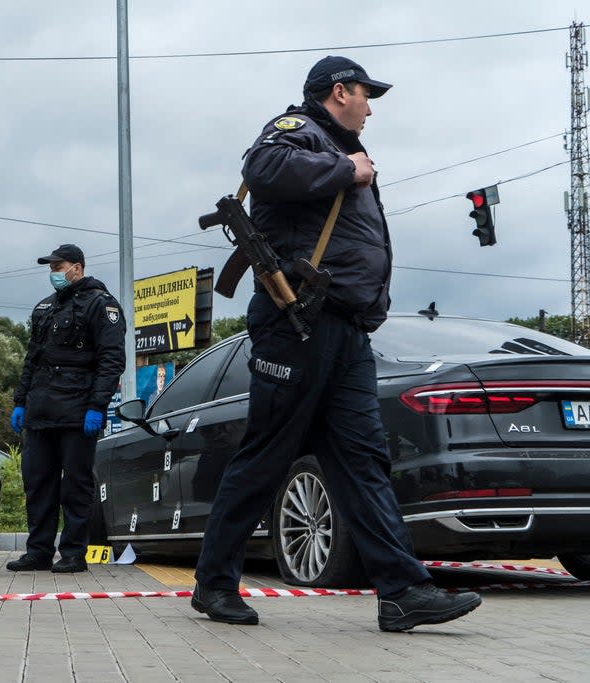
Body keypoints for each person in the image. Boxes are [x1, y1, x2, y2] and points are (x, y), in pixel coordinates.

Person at [192, 56, 482, 631]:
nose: (370, 107)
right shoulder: (296, 132)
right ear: (338, 90)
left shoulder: (334, 146)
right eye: (365, 95)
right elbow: (263, 167)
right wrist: (345, 171)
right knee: (267, 454)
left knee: (363, 461)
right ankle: (214, 583)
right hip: (296, 323)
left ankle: (402, 592)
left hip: (345, 330)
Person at [7, 244, 126, 573]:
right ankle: (38, 551)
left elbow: (112, 360)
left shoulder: (101, 305)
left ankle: (73, 552)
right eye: (51, 268)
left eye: (58, 267)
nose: (53, 273)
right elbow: (32, 359)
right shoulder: (44, 308)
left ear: (77, 267)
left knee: (75, 485)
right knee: (37, 483)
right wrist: (20, 402)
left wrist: (97, 406)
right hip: (41, 411)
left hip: (77, 411)